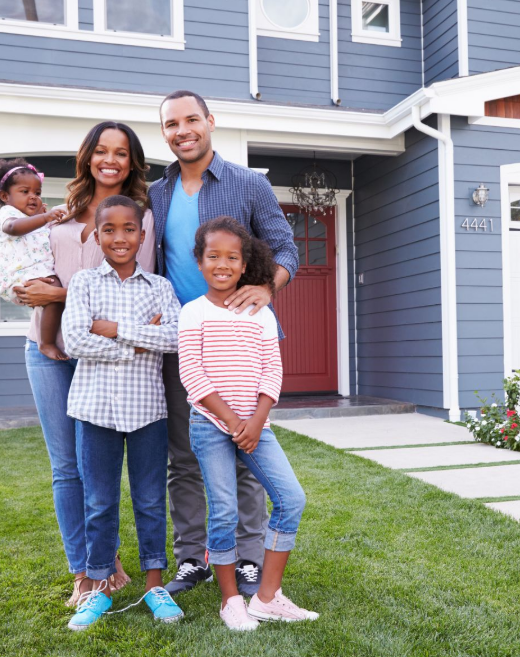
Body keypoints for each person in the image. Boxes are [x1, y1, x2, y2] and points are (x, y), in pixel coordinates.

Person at [150, 90, 299, 596]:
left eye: (191, 119)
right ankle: (193, 558)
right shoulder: (157, 192)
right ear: (165, 132)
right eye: (171, 123)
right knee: (185, 456)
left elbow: (285, 248)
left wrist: (267, 285)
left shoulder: (247, 184)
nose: (182, 129)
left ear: (210, 121)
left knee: (247, 453)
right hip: (185, 342)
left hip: (243, 341)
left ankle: (250, 558)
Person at [14, 121, 156, 606]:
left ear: (132, 161)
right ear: (88, 156)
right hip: (47, 349)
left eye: (120, 152)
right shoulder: (58, 213)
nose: (109, 160)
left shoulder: (142, 218)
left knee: (101, 466)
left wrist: (58, 292)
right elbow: (31, 273)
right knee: (65, 467)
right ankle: (86, 569)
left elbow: (136, 295)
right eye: (101, 150)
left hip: (104, 358)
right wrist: (31, 290)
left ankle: (105, 557)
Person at [179, 217, 315, 630]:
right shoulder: (192, 313)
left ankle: (267, 598)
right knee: (224, 511)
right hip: (210, 424)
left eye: (232, 257)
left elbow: (272, 372)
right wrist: (234, 421)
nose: (223, 264)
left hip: (257, 425)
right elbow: (193, 376)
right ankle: (230, 600)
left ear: (244, 264)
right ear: (199, 263)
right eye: (213, 256)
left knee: (291, 500)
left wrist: (256, 422)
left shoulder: (262, 314)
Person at [63, 196, 183, 631]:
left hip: (147, 410)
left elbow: (172, 338)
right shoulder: (83, 284)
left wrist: (113, 330)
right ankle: (97, 586)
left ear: (142, 234)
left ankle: (155, 585)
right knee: (99, 501)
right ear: (97, 236)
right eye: (109, 230)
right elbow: (75, 340)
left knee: (151, 500)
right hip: (95, 410)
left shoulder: (160, 288)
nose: (119, 238)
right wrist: (138, 340)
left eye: (128, 229)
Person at [0, 158, 69, 360]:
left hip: (36, 271)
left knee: (53, 295)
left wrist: (42, 217)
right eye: (25, 192)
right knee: (53, 295)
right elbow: (13, 228)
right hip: (19, 274)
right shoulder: (8, 213)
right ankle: (46, 343)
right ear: (5, 196)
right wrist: (44, 217)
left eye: (37, 193)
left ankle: (47, 339)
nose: (33, 197)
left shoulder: (34, 218)